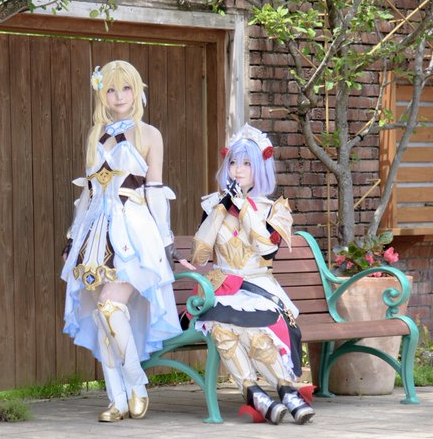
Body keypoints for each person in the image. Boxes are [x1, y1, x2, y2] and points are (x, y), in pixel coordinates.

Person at [61, 60, 189, 422]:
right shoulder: (95, 134)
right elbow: (88, 191)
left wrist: (164, 240)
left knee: (109, 307)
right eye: (111, 89)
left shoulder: (149, 135)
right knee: (102, 317)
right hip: (95, 232)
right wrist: (72, 237)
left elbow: (155, 189)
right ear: (102, 93)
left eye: (126, 88)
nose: (119, 96)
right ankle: (116, 399)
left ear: (138, 91)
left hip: (134, 230)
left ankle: (136, 384)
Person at [189, 124, 315, 425]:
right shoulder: (213, 205)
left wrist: (244, 208)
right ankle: (256, 394)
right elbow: (200, 255)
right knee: (221, 328)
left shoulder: (275, 209)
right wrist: (221, 210)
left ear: (260, 168)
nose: (238, 169)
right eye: (233, 162)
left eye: (247, 163)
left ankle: (286, 391)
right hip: (221, 286)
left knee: (256, 335)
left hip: (258, 286)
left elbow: (266, 250)